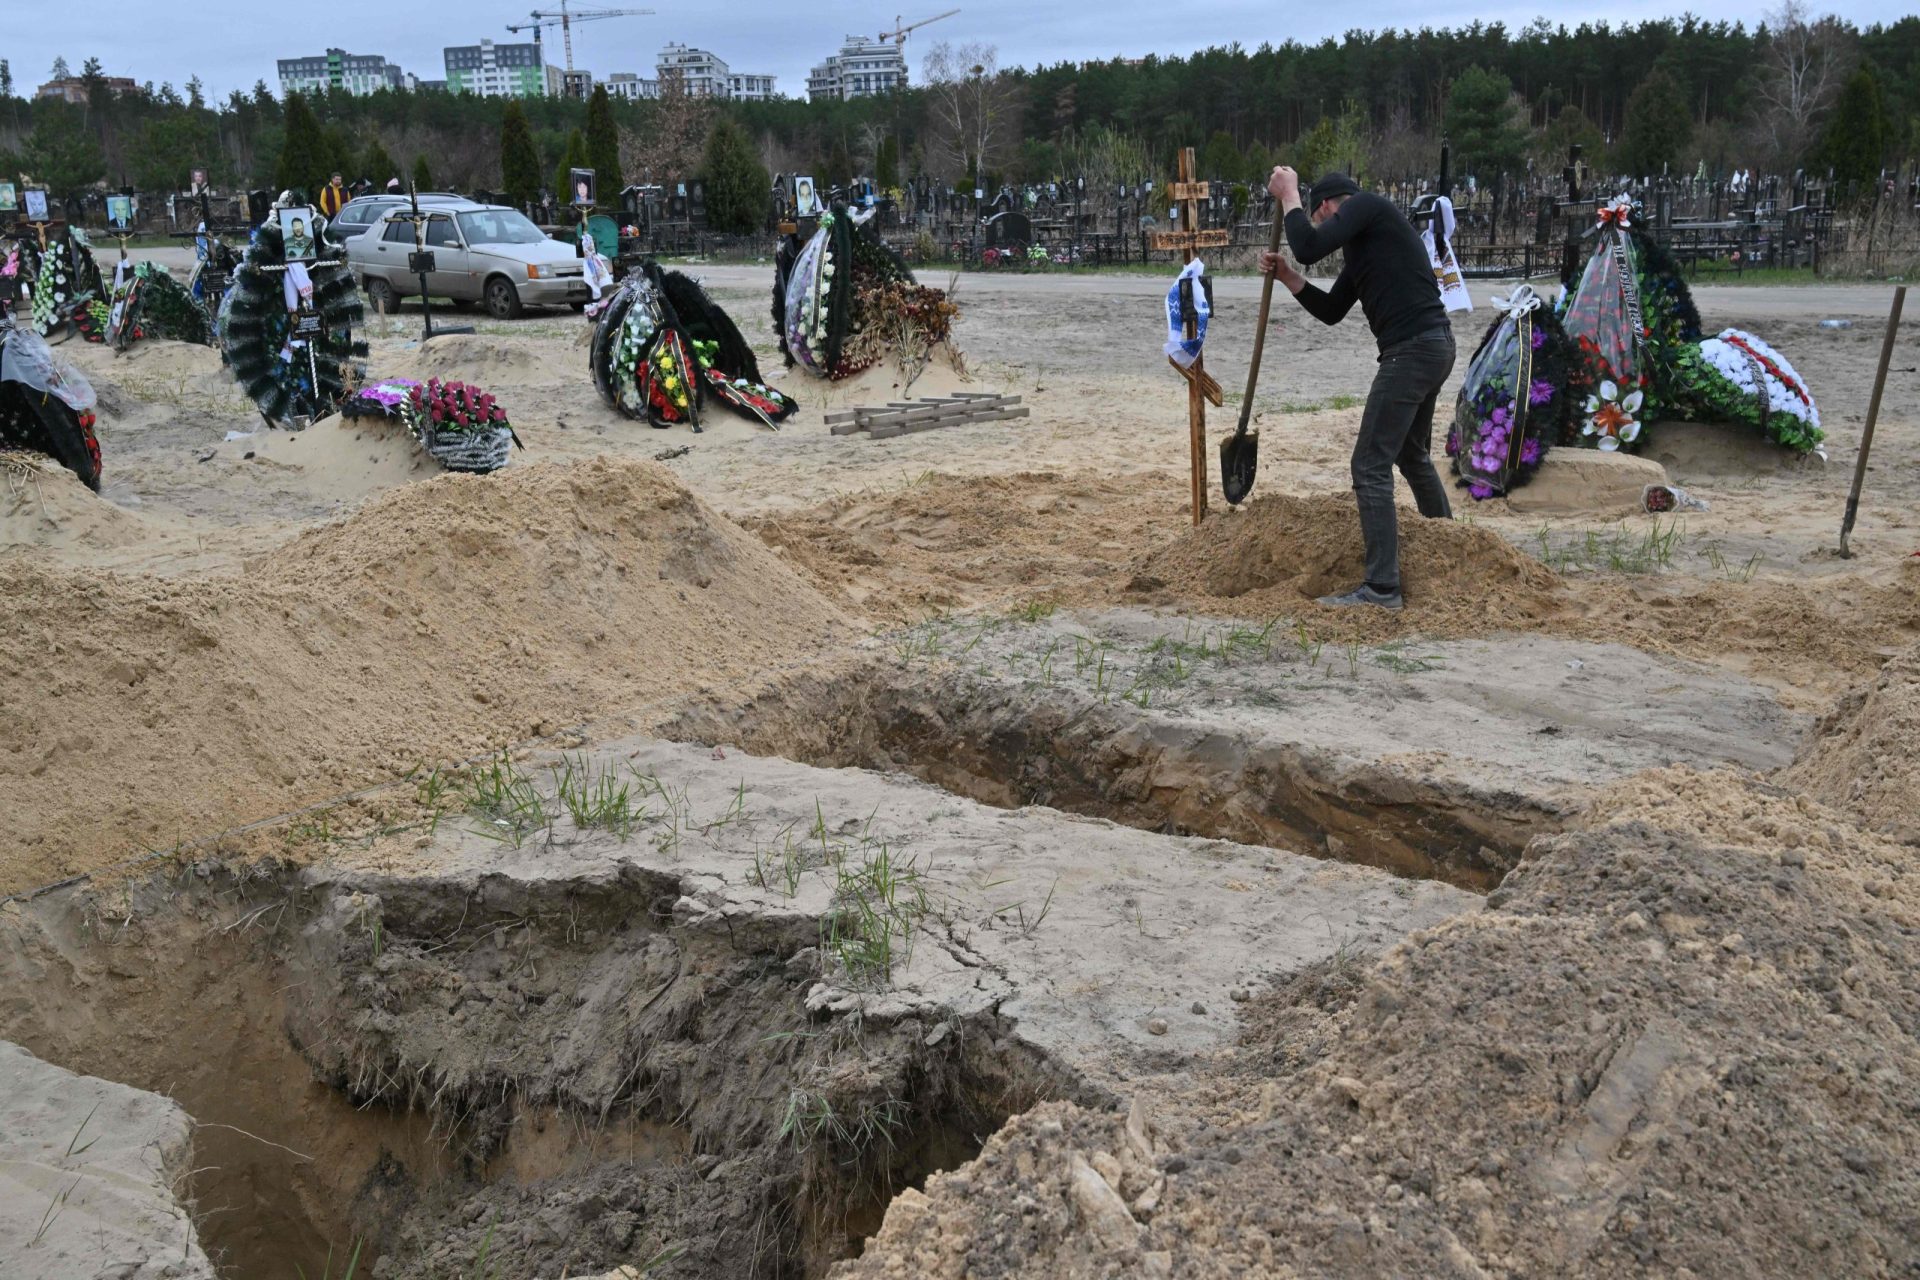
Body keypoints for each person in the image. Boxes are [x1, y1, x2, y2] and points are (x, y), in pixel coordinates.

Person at [1258, 167, 1454, 611]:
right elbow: (1331, 310)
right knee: (1410, 453)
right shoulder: (1366, 243)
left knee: (1369, 464)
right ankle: (1450, 545)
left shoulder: (1367, 205)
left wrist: (1288, 194)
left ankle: (1382, 588)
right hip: (1432, 346)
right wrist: (1289, 278)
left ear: (1326, 205)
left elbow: (1308, 246)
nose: (1324, 227)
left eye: (1319, 215)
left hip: (1413, 350)